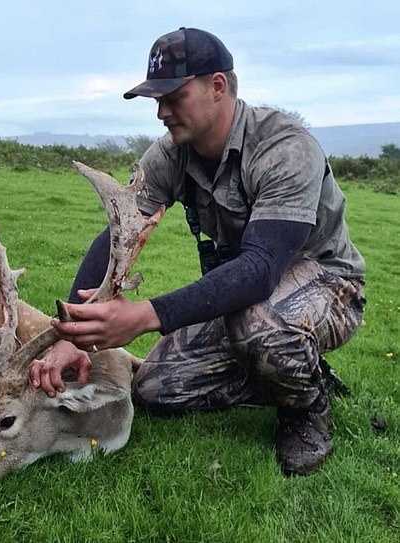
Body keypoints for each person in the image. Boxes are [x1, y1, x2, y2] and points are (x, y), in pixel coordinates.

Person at [29, 27, 366, 476]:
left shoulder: (285, 148)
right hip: (253, 300)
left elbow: (261, 268)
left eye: (174, 97)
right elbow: (117, 234)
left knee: (258, 325)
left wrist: (146, 315)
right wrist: (72, 334)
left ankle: (306, 408)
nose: (162, 113)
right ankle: (287, 370)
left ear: (218, 87)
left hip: (329, 287)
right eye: (157, 101)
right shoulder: (171, 154)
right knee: (155, 389)